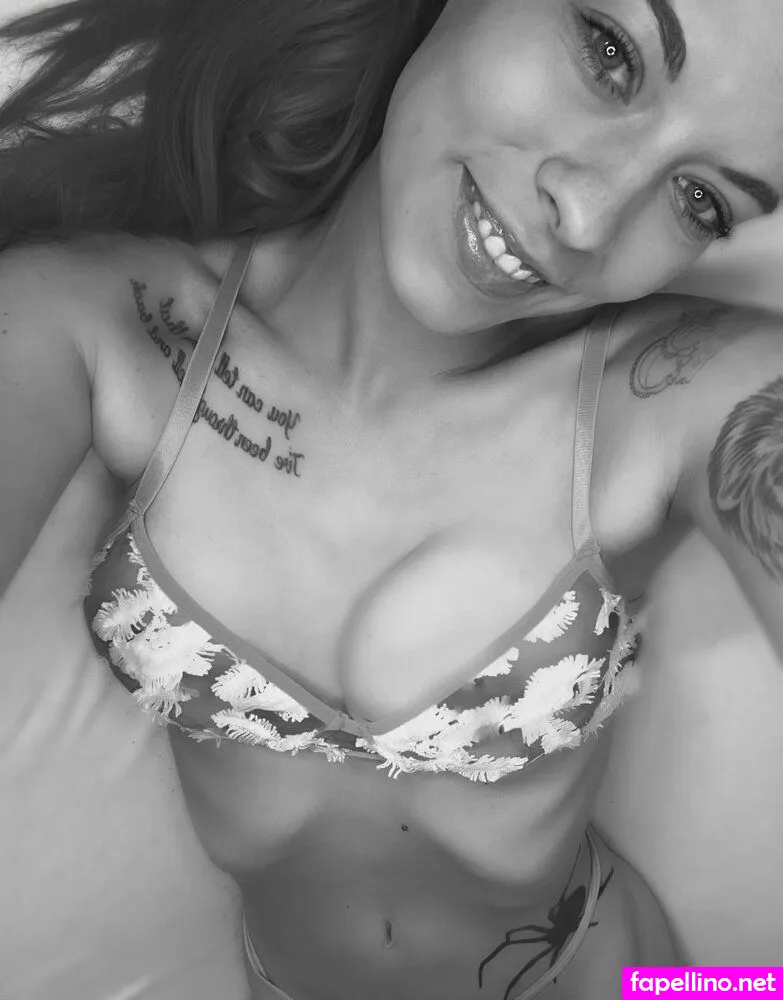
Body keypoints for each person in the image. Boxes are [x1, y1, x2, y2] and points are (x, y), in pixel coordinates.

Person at [1, 0, 782, 997]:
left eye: (700, 200)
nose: (587, 218)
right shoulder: (101, 326)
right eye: (608, 54)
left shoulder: (677, 393)